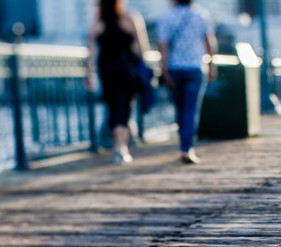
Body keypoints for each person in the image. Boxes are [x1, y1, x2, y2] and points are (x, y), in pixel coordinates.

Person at [87, 0, 150, 164]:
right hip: (127, 71)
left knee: (113, 108)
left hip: (106, 71)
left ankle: (118, 146)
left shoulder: (99, 23)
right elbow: (141, 47)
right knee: (125, 108)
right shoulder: (130, 19)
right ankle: (121, 148)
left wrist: (89, 73)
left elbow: (92, 51)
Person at [157, 0, 217, 164]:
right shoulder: (202, 15)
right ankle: (187, 148)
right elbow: (209, 42)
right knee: (191, 110)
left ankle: (183, 143)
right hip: (196, 68)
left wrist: (164, 70)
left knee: (180, 109)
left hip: (174, 69)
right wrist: (211, 65)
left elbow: (163, 46)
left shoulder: (167, 17)